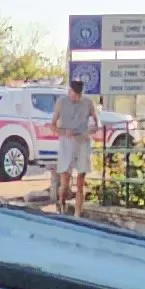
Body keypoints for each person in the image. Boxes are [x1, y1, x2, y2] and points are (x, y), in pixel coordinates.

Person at [48, 78, 97, 213]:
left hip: (82, 141)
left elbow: (97, 123)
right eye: (73, 94)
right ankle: (61, 205)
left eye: (78, 95)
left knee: (81, 180)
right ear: (69, 91)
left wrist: (90, 130)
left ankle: (78, 213)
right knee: (65, 180)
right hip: (67, 142)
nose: (75, 98)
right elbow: (52, 125)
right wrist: (64, 132)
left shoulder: (88, 103)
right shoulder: (61, 102)